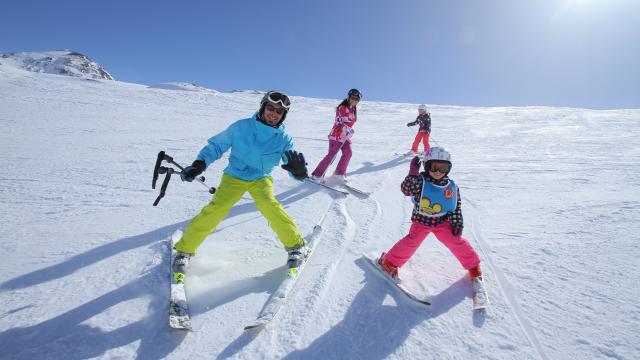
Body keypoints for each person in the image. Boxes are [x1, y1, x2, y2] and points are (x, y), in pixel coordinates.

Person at [172, 91, 311, 279]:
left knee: (269, 205)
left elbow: (291, 161)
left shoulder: (283, 139)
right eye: (271, 108)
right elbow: (216, 146)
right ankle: (184, 250)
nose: (274, 113)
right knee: (217, 208)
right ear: (263, 107)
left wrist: (299, 172)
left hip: (261, 178)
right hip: (234, 176)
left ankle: (296, 246)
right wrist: (199, 164)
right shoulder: (241, 127)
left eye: (279, 112)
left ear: (283, 115)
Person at [377, 147, 486, 297]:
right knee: (411, 242)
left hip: (442, 222)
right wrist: (413, 173)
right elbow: (407, 190)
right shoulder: (421, 181)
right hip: (422, 221)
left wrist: (457, 222)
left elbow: (455, 205)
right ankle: (388, 262)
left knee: (456, 241)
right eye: (434, 167)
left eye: (443, 168)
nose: (438, 172)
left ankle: (473, 265)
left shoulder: (450, 186)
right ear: (427, 166)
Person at [310, 88, 361, 182]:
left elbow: (350, 123)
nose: (355, 100)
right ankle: (316, 175)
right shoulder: (342, 107)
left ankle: (339, 174)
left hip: (345, 137)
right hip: (336, 135)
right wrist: (345, 128)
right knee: (332, 155)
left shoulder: (353, 110)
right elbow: (338, 121)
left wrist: (349, 130)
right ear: (349, 97)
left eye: (357, 99)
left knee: (348, 153)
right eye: (353, 97)